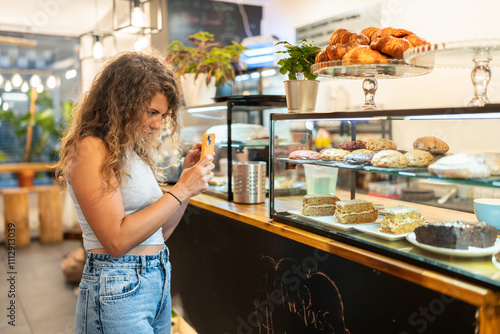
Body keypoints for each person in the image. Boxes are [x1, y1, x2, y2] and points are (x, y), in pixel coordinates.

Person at [55, 50, 214, 333]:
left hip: (155, 278)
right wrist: (180, 189)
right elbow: (116, 240)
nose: (157, 124)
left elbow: (159, 233)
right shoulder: (90, 148)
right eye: (151, 112)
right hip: (118, 285)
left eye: (162, 115)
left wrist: (187, 188)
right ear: (120, 103)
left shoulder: (130, 151)